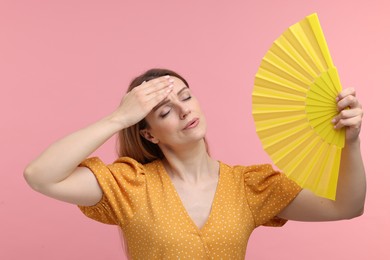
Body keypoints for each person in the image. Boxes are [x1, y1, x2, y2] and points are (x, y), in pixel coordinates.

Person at [24, 68, 366, 259]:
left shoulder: (248, 186)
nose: (185, 109)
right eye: (164, 110)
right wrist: (118, 118)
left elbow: (346, 206)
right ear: (149, 134)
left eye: (186, 96)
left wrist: (350, 142)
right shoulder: (130, 185)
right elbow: (40, 176)